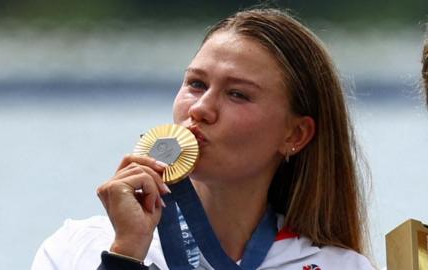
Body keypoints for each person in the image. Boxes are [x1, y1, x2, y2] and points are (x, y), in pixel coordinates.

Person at [31, 8, 374, 270]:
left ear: (295, 134)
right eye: (196, 84)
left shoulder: (339, 265)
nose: (201, 109)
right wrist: (125, 256)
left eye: (237, 94)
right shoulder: (80, 246)